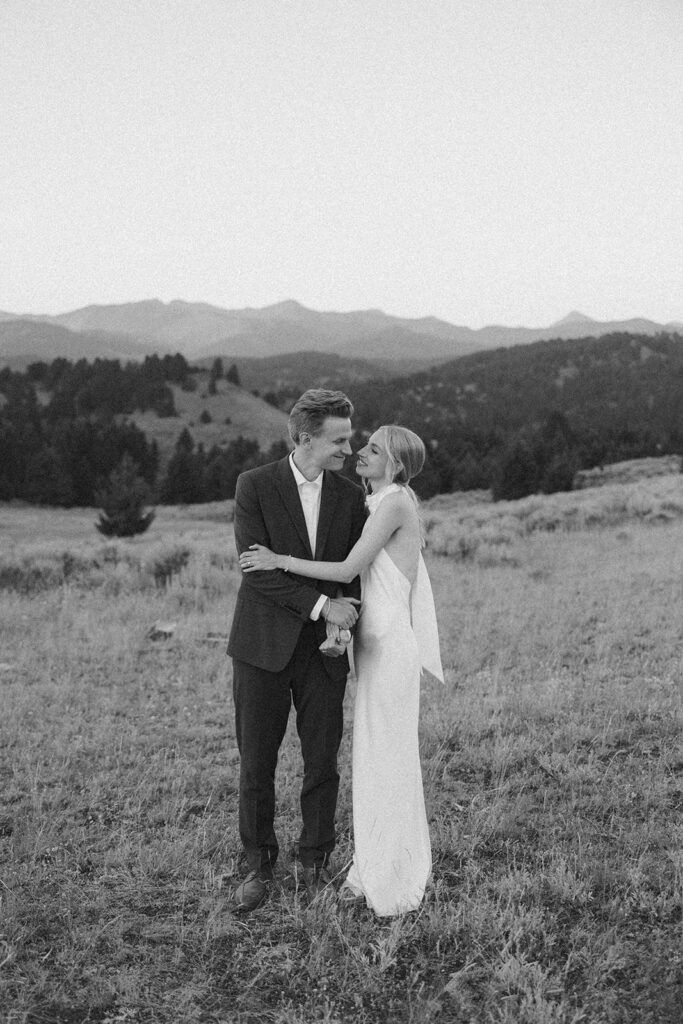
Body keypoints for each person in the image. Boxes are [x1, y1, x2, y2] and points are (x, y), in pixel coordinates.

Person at [240, 425, 444, 917]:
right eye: (355, 443)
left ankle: (392, 872)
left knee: (387, 755)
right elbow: (359, 580)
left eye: (372, 448)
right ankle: (372, 860)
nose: (357, 453)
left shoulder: (392, 503)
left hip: (389, 645)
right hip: (367, 647)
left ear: (393, 464)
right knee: (372, 755)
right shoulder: (372, 501)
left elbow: (346, 566)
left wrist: (278, 559)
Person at [228, 389, 367, 912]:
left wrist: (345, 612)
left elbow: (354, 574)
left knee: (321, 761)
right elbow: (256, 575)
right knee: (256, 762)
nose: (348, 450)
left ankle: (314, 862)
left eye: (349, 439)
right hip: (261, 646)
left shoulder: (351, 497)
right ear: (305, 438)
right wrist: (321, 606)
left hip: (324, 653)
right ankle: (257, 864)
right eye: (339, 440)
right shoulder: (255, 486)